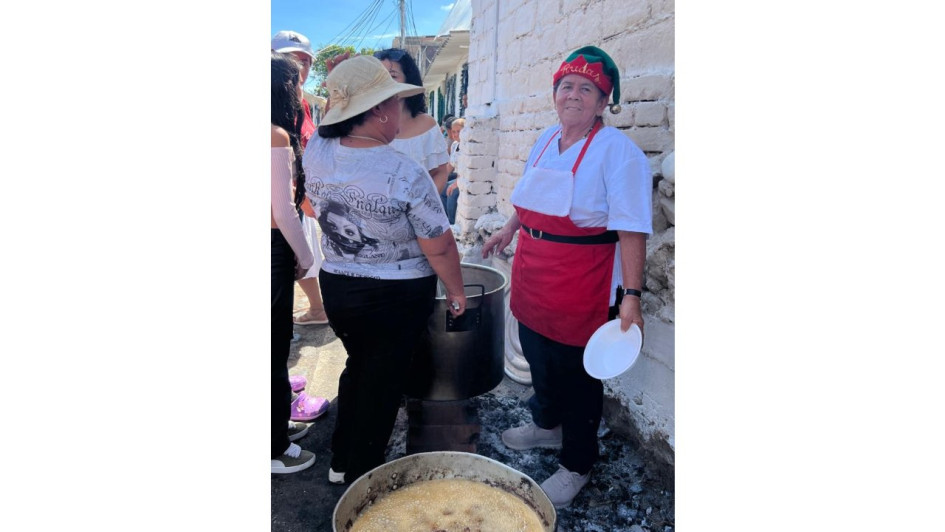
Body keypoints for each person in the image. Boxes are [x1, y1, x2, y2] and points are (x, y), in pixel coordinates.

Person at [481, 46, 652, 508]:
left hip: (584, 280)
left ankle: (577, 461)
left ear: (603, 102)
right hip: (535, 270)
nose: (573, 95)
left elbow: (632, 230)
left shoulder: (619, 153)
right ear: (555, 95)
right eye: (566, 86)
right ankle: (547, 425)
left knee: (578, 376)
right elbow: (529, 199)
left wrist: (631, 296)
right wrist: (508, 229)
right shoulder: (544, 139)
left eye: (587, 89)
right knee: (538, 356)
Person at [302, 55, 467, 485]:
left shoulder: (317, 147)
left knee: (359, 367)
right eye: (392, 102)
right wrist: (458, 292)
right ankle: (362, 483)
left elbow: (308, 202)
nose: (398, 111)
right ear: (377, 111)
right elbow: (441, 245)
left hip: (339, 287)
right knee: (382, 387)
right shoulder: (403, 171)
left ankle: (340, 458)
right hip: (393, 298)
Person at [270, 52, 318, 474]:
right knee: (272, 350)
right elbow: (283, 212)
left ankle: (277, 428)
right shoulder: (274, 136)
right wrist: (305, 257)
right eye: (296, 83)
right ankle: (273, 447)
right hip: (271, 250)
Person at [271, 30, 329, 327]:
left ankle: (318, 308)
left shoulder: (302, 103)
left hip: (295, 199)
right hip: (284, 205)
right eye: (293, 61)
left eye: (306, 61)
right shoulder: (277, 115)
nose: (302, 68)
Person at [372, 48, 451, 195]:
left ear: (408, 79)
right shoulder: (364, 124)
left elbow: (440, 173)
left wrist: (423, 206)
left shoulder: (427, 125)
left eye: (393, 76)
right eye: (379, 77)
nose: (386, 83)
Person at [442, 118, 465, 224]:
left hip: (464, 179)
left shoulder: (468, 146)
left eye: (458, 131)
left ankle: (452, 223)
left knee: (452, 192)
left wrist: (456, 184)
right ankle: (445, 220)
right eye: (453, 131)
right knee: (441, 188)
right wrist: (440, 180)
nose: (455, 134)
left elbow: (467, 172)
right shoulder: (455, 145)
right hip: (457, 176)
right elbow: (450, 165)